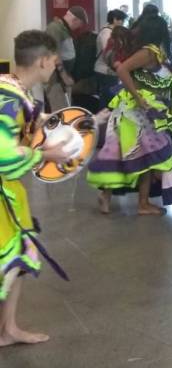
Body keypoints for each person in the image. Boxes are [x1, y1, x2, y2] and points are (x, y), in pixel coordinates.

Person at [0, 31, 74, 347]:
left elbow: (27, 123)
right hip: (4, 194)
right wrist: (47, 154)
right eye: (54, 63)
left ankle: (8, 329)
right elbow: (4, 155)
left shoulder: (12, 88)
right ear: (43, 60)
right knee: (9, 260)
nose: (55, 68)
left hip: (10, 194)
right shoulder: (10, 99)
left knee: (16, 260)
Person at [87, 15, 172, 216]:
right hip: (137, 113)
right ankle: (139, 202)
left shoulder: (155, 52)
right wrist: (138, 96)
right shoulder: (148, 52)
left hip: (140, 113)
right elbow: (123, 70)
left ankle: (116, 198)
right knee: (149, 155)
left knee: (134, 155)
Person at [44, 6, 88, 111]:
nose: (79, 27)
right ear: (75, 20)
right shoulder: (55, 28)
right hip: (56, 80)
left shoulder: (63, 29)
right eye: (80, 24)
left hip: (61, 81)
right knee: (60, 112)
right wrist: (64, 76)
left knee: (65, 110)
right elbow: (53, 54)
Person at [95, 9, 127, 108]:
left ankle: (106, 120)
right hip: (105, 71)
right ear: (114, 20)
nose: (122, 23)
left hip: (109, 70)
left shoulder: (112, 32)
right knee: (108, 100)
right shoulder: (107, 33)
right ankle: (104, 121)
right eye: (121, 20)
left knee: (108, 98)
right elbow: (108, 53)